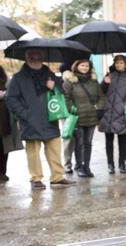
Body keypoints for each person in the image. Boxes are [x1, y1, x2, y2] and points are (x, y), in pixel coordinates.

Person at [6, 49, 77, 189]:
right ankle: (36, 179)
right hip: (30, 120)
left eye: (38, 58)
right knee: (33, 152)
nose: (36, 60)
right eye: (32, 58)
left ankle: (57, 177)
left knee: (54, 149)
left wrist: (54, 87)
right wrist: (24, 114)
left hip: (50, 118)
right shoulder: (18, 78)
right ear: (26, 59)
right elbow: (11, 99)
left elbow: (62, 92)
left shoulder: (50, 74)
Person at [62, 59, 105, 178]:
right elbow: (66, 98)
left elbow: (101, 96)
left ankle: (87, 166)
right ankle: (79, 167)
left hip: (92, 116)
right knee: (79, 143)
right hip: (77, 117)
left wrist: (99, 108)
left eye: (87, 66)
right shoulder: (69, 82)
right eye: (82, 65)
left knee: (88, 143)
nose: (85, 68)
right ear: (76, 66)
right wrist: (72, 109)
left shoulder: (94, 82)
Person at [99, 55, 126, 175]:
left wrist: (124, 106)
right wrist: (105, 83)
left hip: (122, 113)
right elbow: (100, 92)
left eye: (121, 63)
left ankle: (122, 164)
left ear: (125, 64)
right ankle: (110, 165)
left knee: (122, 141)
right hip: (108, 113)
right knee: (108, 141)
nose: (118, 65)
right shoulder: (110, 75)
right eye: (116, 63)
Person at [0, 65, 20, 182]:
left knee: (4, 147)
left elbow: (11, 93)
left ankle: (3, 172)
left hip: (4, 118)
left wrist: (5, 94)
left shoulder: (4, 78)